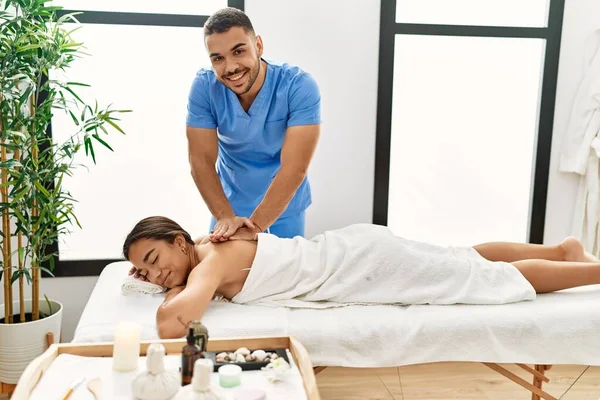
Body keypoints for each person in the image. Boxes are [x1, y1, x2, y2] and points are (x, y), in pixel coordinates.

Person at [124, 216, 600, 340]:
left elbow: (171, 324)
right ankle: (563, 251)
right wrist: (156, 275)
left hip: (367, 266)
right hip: (359, 251)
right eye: (143, 271)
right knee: (461, 257)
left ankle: (592, 270)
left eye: (154, 257)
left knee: (488, 280)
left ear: (179, 240)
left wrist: (177, 287)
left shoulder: (210, 263)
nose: (154, 273)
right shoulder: (207, 249)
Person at [186, 7, 321, 243]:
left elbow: (294, 167)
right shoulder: (204, 88)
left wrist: (255, 226)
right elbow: (201, 161)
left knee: (282, 277)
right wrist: (226, 219)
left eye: (238, 51)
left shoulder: (298, 86)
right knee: (220, 274)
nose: (230, 67)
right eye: (218, 58)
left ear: (258, 45)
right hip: (227, 208)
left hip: (284, 209)